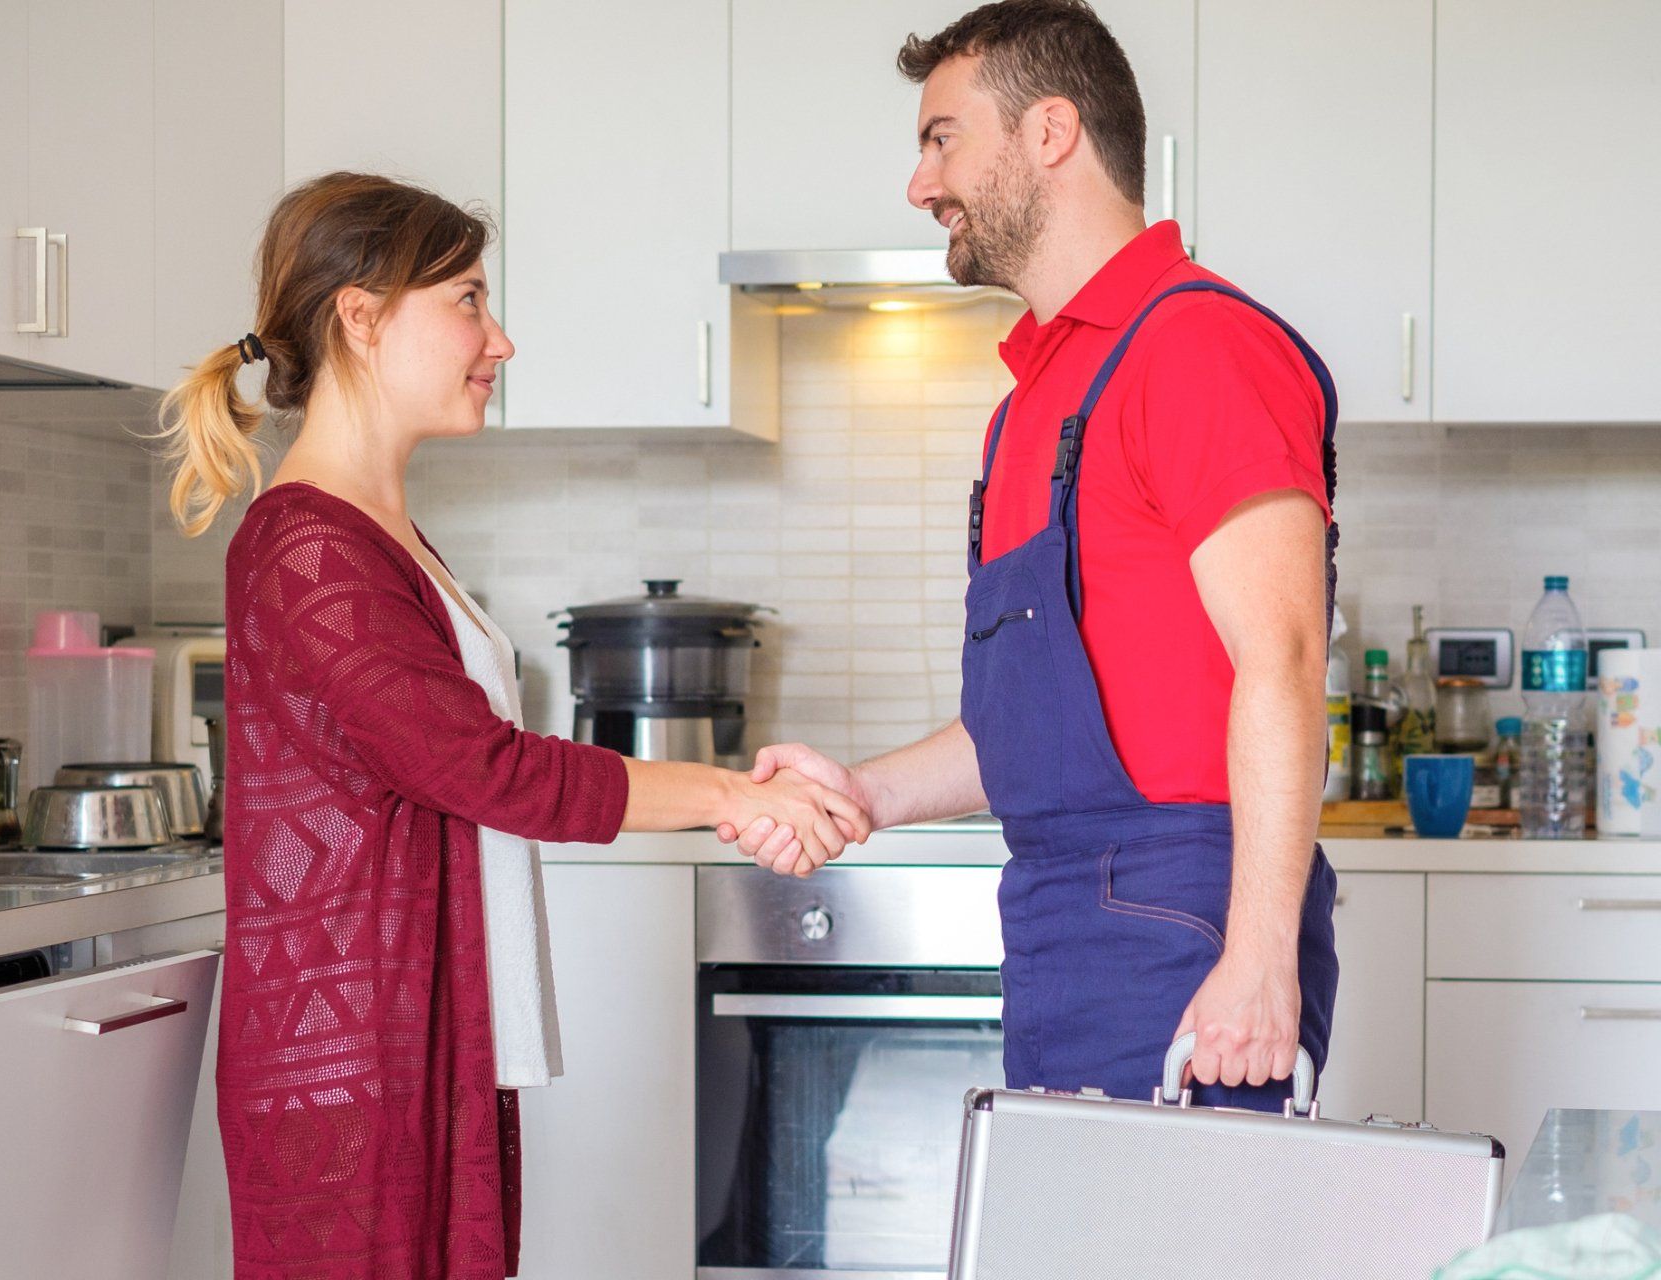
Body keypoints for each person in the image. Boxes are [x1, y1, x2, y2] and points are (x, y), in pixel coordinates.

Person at [157, 171, 867, 1280]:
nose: (500, 339)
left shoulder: (378, 530)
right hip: (356, 1067)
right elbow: (483, 768)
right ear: (362, 316)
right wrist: (731, 794)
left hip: (421, 1042)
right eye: (469, 301)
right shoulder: (310, 547)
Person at [723, 0, 1341, 1111]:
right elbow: (1041, 718)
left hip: (1182, 917)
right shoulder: (1032, 406)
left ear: (1051, 132)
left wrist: (1257, 959)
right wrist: (865, 790)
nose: (920, 185)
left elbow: (1285, 658)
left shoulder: (1197, 346)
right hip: (1061, 916)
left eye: (941, 137)